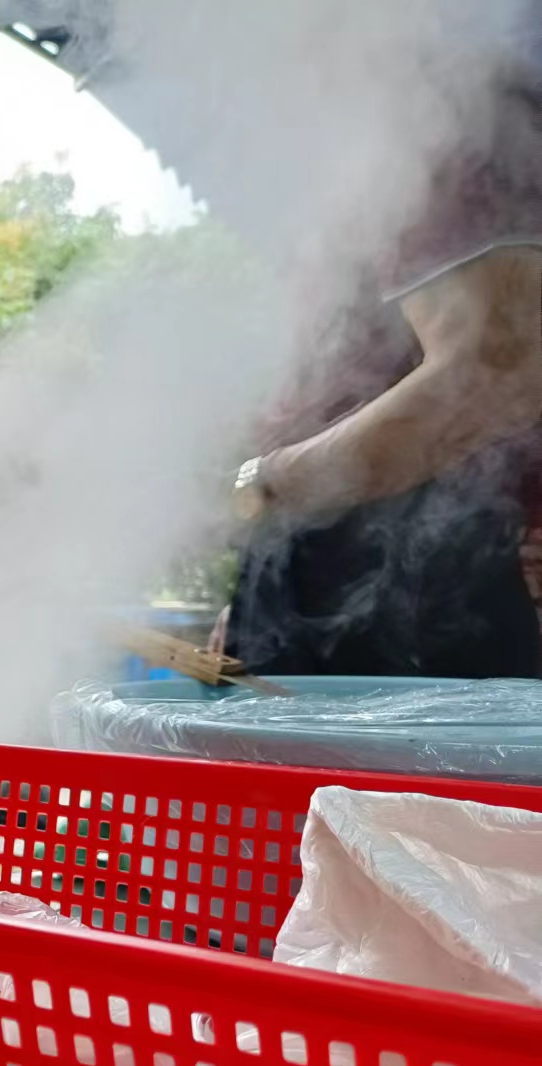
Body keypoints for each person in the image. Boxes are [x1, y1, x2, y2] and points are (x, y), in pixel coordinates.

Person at [223, 81, 542, 678]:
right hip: (316, 563)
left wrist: (262, 487)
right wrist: (264, 587)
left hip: (414, 583)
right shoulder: (350, 152)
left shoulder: (439, 105)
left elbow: (493, 366)